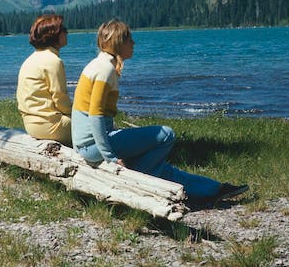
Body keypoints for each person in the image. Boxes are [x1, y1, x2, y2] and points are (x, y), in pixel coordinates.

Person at [71, 19, 248, 209]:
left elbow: (97, 117)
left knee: (158, 165)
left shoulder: (100, 64)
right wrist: (111, 159)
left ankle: (213, 190)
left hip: (89, 143)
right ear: (119, 43)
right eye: (130, 40)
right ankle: (136, 181)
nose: (133, 44)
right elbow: (95, 116)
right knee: (166, 135)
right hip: (91, 146)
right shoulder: (105, 69)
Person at [16, 14, 72, 146]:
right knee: (99, 124)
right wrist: (79, 114)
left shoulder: (30, 59)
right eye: (63, 29)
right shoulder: (53, 61)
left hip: (31, 125)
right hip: (51, 126)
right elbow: (61, 99)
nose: (67, 32)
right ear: (53, 34)